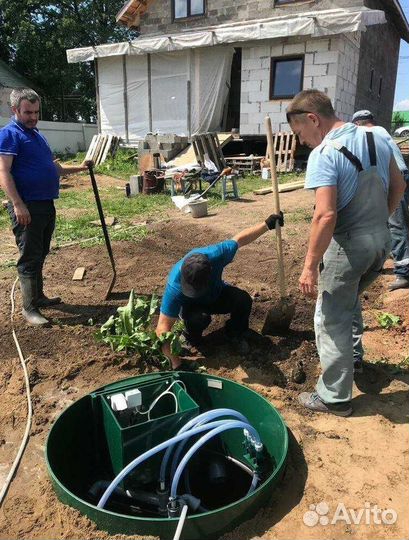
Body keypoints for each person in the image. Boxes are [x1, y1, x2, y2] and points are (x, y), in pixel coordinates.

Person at [286, 89, 405, 416]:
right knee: (349, 299)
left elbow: (325, 215)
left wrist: (310, 266)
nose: (302, 142)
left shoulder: (324, 154)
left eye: (300, 133)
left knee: (330, 318)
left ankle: (335, 397)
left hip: (349, 248)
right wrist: (380, 221)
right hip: (380, 243)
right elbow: (400, 185)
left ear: (313, 119)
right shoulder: (378, 138)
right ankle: (354, 358)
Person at [0, 88, 91, 326]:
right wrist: (18, 204)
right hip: (27, 205)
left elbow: (55, 169)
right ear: (15, 110)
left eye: (36, 112)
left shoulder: (37, 134)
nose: (33, 116)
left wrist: (81, 168)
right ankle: (29, 308)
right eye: (27, 112)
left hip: (45, 204)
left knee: (41, 252)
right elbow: (3, 172)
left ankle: (39, 297)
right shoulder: (10, 134)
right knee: (29, 256)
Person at [155, 214, 284, 370]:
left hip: (216, 295)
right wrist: (175, 363)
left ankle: (235, 333)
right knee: (198, 318)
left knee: (243, 299)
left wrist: (266, 225)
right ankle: (191, 337)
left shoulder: (217, 255)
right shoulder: (175, 286)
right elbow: (162, 328)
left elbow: (239, 239)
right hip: (193, 307)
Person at [352, 109, 409, 290]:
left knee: (395, 224)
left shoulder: (369, 133)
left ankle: (404, 273)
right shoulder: (382, 131)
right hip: (400, 174)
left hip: (393, 179)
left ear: (358, 124)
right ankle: (398, 256)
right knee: (399, 221)